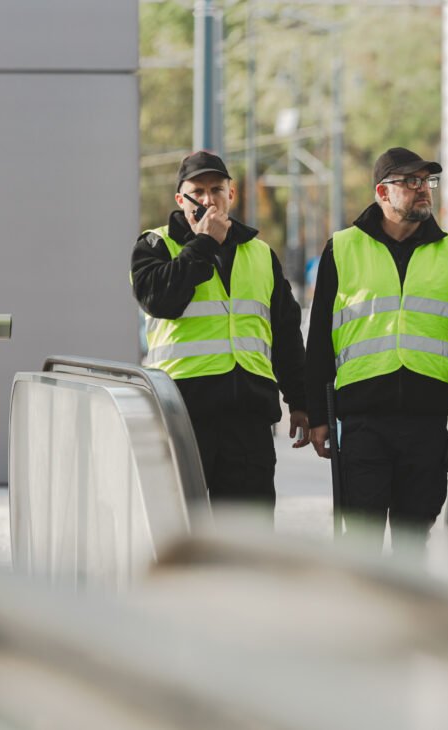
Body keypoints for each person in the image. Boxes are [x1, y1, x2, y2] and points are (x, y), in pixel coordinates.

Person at [305, 146, 448, 552]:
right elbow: (320, 337)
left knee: (413, 545)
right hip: (363, 422)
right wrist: (318, 417)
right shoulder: (342, 248)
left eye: (427, 181)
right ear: (382, 192)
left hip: (426, 424)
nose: (423, 189)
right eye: (410, 182)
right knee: (360, 542)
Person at [132, 150, 310, 520]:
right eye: (198, 191)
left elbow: (286, 332)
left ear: (232, 195)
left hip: (249, 416)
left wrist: (301, 401)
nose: (209, 199)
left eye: (217, 189)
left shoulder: (260, 253)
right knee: (184, 532)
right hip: (183, 412)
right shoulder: (154, 245)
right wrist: (204, 244)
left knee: (248, 540)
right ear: (181, 200)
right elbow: (160, 299)